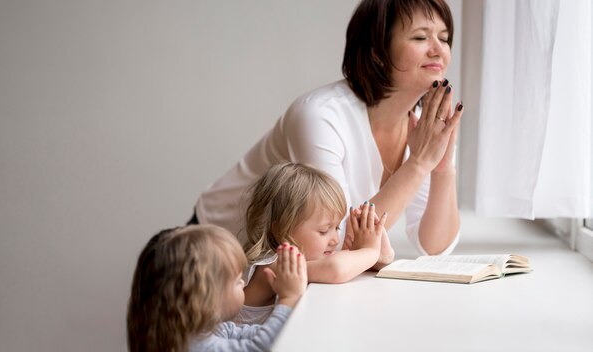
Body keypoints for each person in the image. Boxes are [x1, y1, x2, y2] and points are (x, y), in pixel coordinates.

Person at [191, 0, 463, 267]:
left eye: (445, 37)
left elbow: (434, 246)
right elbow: (338, 239)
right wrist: (417, 164)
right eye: (420, 37)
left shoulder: (423, 129)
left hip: (276, 270)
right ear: (377, 52)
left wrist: (441, 169)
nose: (439, 50)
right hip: (212, 251)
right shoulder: (320, 115)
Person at [236, 162, 392, 324]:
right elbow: (335, 269)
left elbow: (350, 266)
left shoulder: (307, 261)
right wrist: (369, 251)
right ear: (282, 230)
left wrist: (380, 254)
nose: (335, 240)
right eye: (324, 231)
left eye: (337, 227)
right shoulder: (273, 266)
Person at [126, 224, 306, 352]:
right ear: (206, 297)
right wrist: (288, 299)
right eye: (237, 280)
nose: (243, 283)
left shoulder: (204, 330)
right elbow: (259, 348)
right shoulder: (193, 347)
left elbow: (253, 334)